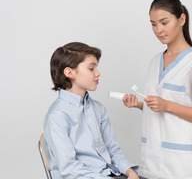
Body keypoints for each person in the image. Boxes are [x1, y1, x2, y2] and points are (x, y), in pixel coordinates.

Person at [123, 0, 192, 179]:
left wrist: (167, 105)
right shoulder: (154, 62)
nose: (158, 29)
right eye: (153, 24)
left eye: (164, 22)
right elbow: (161, 110)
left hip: (181, 166)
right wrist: (141, 105)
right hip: (151, 162)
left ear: (181, 19)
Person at [43, 42, 139, 179]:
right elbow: (70, 168)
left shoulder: (98, 109)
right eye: (91, 68)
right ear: (69, 72)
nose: (98, 73)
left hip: (110, 174)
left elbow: (113, 150)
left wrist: (130, 172)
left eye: (96, 68)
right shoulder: (57, 115)